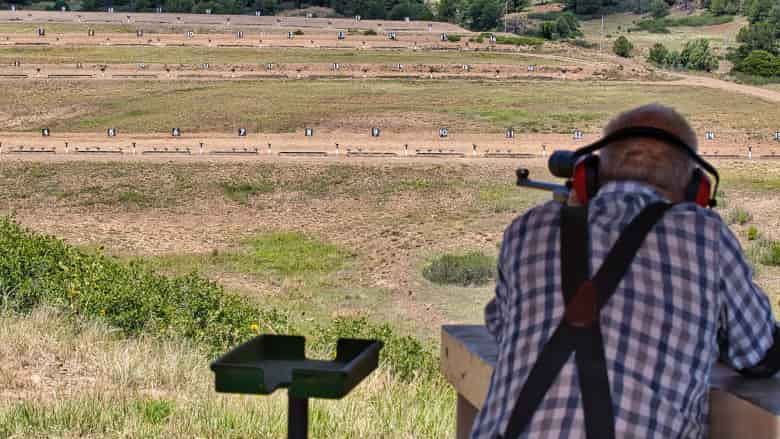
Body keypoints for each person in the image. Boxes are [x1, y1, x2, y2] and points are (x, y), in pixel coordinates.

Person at [471, 104, 780, 439]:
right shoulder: (705, 234)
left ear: (588, 176)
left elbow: (503, 327)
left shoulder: (527, 229)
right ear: (696, 191)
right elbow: (759, 352)